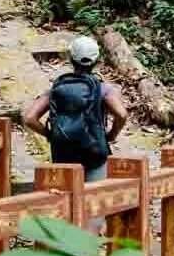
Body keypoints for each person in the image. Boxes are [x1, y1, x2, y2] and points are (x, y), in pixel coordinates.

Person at [22, 35, 128, 186]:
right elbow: (122, 115)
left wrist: (50, 135)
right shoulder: (103, 89)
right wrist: (111, 135)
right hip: (94, 152)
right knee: (94, 197)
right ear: (96, 61)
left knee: (66, 198)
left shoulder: (57, 88)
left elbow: (29, 118)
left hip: (63, 153)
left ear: (71, 59)